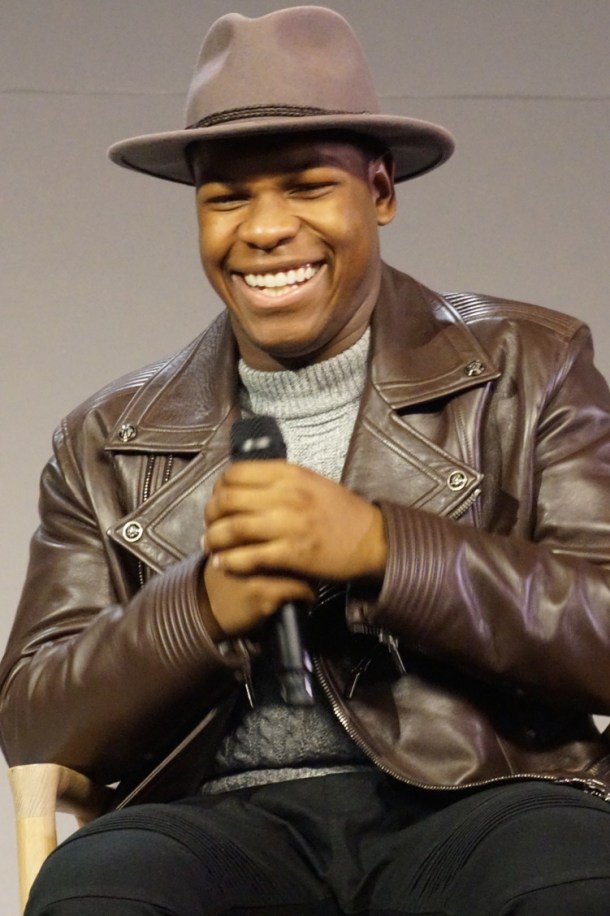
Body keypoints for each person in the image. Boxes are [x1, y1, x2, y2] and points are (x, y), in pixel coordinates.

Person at [2, 6, 610, 915]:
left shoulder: (530, 363)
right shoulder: (106, 436)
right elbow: (34, 717)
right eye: (228, 198)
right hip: (220, 822)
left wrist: (383, 549)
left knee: (569, 878)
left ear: (382, 190)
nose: (264, 229)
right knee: (101, 891)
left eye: (305, 186)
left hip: (483, 801)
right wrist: (199, 608)